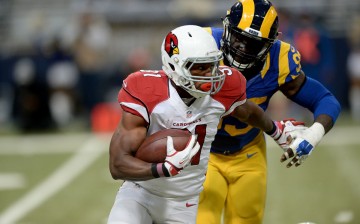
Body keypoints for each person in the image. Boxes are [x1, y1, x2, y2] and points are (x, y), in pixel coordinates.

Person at [107, 25, 300, 224]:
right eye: (199, 67)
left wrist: (276, 131)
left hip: (185, 203)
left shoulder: (225, 86)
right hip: (140, 194)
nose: (209, 74)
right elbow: (117, 165)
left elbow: (248, 111)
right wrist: (162, 168)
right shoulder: (146, 90)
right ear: (174, 65)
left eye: (212, 65)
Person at [197, 0, 341, 223]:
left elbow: (325, 100)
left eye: (252, 44)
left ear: (269, 44)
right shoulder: (202, 45)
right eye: (238, 38)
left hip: (248, 153)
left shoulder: (279, 59)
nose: (241, 48)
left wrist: (313, 135)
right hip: (202, 152)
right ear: (226, 29)